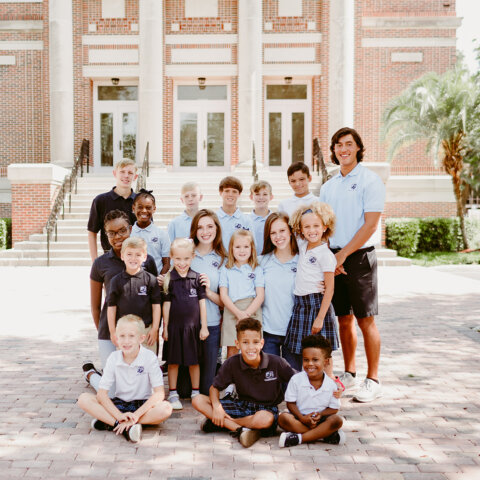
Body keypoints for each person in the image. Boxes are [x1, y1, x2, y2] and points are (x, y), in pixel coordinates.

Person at [320, 127, 385, 403]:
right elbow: (322, 225)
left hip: (358, 257)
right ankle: (349, 373)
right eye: (338, 145)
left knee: (365, 320)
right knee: (342, 320)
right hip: (333, 258)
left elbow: (370, 225)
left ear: (358, 148)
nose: (343, 149)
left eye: (349, 144)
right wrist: (329, 257)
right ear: (334, 151)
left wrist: (343, 254)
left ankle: (373, 380)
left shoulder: (371, 180)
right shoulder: (328, 185)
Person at [84, 210, 158, 393]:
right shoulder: (101, 264)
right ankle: (92, 375)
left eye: (122, 230)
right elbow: (95, 306)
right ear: (106, 234)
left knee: (138, 384)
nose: (118, 236)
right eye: (111, 232)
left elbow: (155, 298)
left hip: (141, 331)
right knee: (113, 390)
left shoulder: (144, 261)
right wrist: (107, 334)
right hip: (112, 331)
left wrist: (155, 328)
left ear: (131, 229)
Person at [192, 318, 296, 448]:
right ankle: (242, 429)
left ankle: (225, 424)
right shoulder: (232, 363)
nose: (251, 347)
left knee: (265, 419)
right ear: (237, 344)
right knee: (197, 400)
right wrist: (217, 407)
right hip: (241, 405)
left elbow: (297, 379)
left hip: (266, 409)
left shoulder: (276, 362)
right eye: (245, 342)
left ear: (262, 343)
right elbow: (214, 388)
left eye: (255, 342)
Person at [77, 315, 172, 443]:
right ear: (116, 338)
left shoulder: (149, 358)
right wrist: (119, 416)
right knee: (83, 399)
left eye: (131, 336)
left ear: (141, 338)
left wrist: (136, 415)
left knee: (166, 409)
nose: (126, 341)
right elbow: (102, 394)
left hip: (142, 406)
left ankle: (110, 422)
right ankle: (120, 425)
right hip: (120, 404)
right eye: (122, 336)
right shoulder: (113, 358)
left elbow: (159, 393)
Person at [283, 203, 338, 376]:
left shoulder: (325, 255)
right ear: (301, 229)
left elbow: (329, 289)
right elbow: (291, 228)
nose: (311, 230)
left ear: (324, 227)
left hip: (317, 304)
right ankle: (307, 388)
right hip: (300, 304)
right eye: (307, 226)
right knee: (303, 351)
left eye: (316, 226)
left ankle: (330, 387)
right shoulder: (302, 245)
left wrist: (320, 318)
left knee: (322, 352)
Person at [162, 238, 209, 410]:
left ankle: (195, 392)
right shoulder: (169, 279)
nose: (182, 263)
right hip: (174, 328)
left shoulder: (197, 278)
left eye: (186, 259)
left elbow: (202, 304)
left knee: (193, 361)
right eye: (178, 259)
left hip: (193, 329)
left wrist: (204, 326)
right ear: (172, 257)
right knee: (173, 362)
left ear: (192, 257)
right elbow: (166, 305)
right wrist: (165, 327)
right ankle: (173, 393)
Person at [278, 334, 345, 448]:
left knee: (337, 421)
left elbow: (334, 408)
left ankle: (299, 438)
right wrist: (302, 417)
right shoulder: (296, 379)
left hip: (320, 419)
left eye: (315, 360)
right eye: (306, 360)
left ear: (326, 362)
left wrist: (320, 414)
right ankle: (323, 434)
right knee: (283, 418)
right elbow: (290, 403)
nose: (310, 364)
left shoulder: (331, 385)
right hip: (299, 418)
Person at [190, 209, 227, 395]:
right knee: (184, 389)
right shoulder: (187, 255)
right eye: (200, 227)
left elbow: (225, 302)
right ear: (194, 231)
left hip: (211, 325)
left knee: (205, 388)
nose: (205, 231)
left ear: (217, 229)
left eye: (210, 226)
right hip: (188, 325)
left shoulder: (223, 259)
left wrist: (206, 292)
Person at [107, 237, 162, 354]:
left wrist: (155, 329)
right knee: (126, 366)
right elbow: (111, 307)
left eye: (138, 254)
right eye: (129, 254)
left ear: (144, 257)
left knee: (147, 366)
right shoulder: (116, 281)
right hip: (124, 333)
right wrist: (113, 332)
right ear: (122, 256)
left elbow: (156, 306)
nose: (133, 258)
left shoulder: (151, 280)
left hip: (146, 332)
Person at [219, 230, 264, 359]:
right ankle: (232, 378)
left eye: (246, 247)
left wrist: (247, 314)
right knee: (232, 350)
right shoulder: (226, 269)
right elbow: (223, 295)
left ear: (252, 248)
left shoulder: (257, 269)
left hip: (252, 310)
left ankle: (254, 377)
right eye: (237, 247)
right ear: (231, 249)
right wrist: (238, 314)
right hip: (232, 310)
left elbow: (260, 295)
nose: (242, 250)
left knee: (253, 348)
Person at [259, 212, 299, 357]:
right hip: (268, 332)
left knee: (292, 378)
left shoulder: (302, 261)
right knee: (270, 378)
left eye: (282, 230)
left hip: (294, 331)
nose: (278, 236)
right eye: (273, 233)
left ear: (290, 231)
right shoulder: (262, 261)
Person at [87, 158, 138, 262]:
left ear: (135, 177)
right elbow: (92, 232)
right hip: (109, 258)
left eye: (130, 173)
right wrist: (95, 262)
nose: (126, 176)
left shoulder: (140, 202)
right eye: (122, 172)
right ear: (115, 173)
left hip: (135, 260)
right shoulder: (101, 200)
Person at [131, 189, 170, 275]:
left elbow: (167, 264)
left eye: (148, 208)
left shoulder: (162, 234)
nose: (144, 211)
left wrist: (157, 282)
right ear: (133, 208)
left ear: (154, 209)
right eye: (140, 207)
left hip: (156, 283)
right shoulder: (128, 233)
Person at [216, 176, 253, 250]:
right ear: (220, 192)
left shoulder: (246, 220)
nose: (230, 194)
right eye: (227, 191)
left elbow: (252, 245)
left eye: (234, 191)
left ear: (239, 194)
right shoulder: (214, 219)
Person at [249, 180, 273, 252]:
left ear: (271, 197)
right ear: (251, 197)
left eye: (265, 194)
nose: (261, 197)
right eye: (257, 194)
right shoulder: (246, 221)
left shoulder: (275, 219)